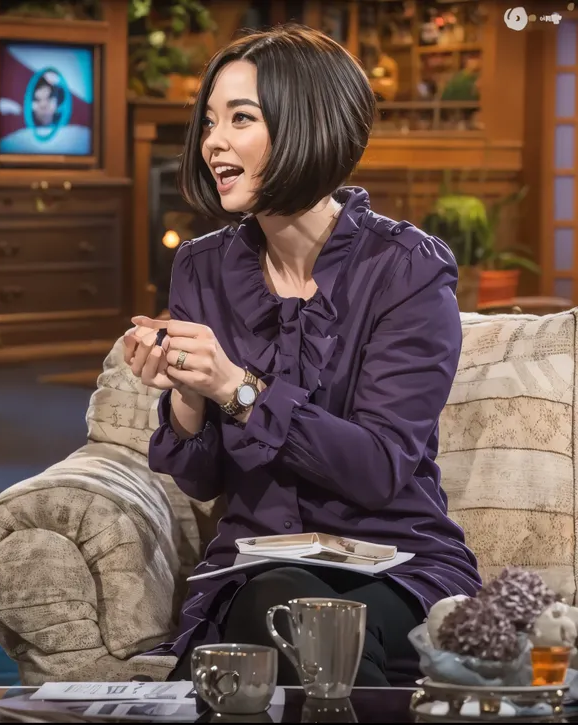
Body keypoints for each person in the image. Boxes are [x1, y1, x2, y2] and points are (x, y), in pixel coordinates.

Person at [123, 23, 480, 687]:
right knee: (277, 598)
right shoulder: (201, 268)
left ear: (306, 125)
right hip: (253, 565)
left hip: (398, 566)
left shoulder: (405, 270)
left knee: (292, 613)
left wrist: (238, 387)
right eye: (208, 123)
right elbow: (203, 479)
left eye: (240, 119)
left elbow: (378, 469)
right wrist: (187, 393)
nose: (214, 143)